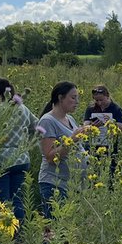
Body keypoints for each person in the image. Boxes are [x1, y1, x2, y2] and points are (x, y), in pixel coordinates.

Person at [37, 81, 85, 219]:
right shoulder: (47, 121)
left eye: (77, 98)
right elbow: (50, 156)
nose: (77, 102)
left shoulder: (69, 118)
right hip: (55, 184)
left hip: (72, 186)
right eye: (73, 97)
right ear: (60, 97)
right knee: (55, 229)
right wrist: (73, 139)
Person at [0, 78, 34, 231]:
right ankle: (18, 233)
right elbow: (36, 125)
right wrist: (25, 140)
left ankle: (3, 234)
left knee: (1, 201)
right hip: (21, 159)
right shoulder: (23, 109)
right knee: (18, 199)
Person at [82, 84, 122, 150]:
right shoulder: (91, 108)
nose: (99, 103)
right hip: (93, 144)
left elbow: (120, 128)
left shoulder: (116, 109)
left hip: (110, 145)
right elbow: (85, 127)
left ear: (107, 96)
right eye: (96, 100)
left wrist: (111, 123)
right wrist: (93, 126)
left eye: (101, 100)